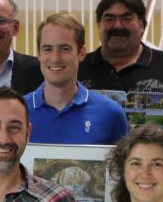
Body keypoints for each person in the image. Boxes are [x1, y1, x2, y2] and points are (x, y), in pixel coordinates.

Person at [77, 0, 163, 138]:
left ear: (142, 26)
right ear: (99, 25)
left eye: (127, 18)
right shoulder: (78, 68)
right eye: (109, 19)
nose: (117, 25)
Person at [25, 12, 128, 145]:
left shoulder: (111, 113)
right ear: (38, 54)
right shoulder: (19, 111)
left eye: (65, 49)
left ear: (81, 53)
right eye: (48, 49)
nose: (55, 58)